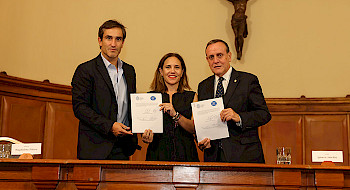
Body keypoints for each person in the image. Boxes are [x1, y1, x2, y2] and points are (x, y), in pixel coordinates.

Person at [71, 20, 139, 160]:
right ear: (100, 41)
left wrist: (142, 129)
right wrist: (110, 126)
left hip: (123, 148)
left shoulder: (129, 71)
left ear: (123, 43)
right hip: (95, 149)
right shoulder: (85, 70)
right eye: (109, 38)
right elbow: (80, 108)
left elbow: (131, 108)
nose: (113, 44)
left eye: (118, 39)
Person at [198, 39, 271, 163]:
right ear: (207, 60)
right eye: (211, 57)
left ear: (229, 56)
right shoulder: (203, 86)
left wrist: (239, 117)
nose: (215, 61)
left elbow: (264, 115)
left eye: (219, 55)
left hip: (244, 156)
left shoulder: (248, 81)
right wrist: (203, 141)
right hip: (214, 157)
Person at [141, 53, 199, 162]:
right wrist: (146, 137)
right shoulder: (150, 97)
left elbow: (194, 128)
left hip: (186, 154)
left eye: (177, 67)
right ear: (161, 72)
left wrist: (176, 115)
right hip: (157, 154)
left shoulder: (192, 96)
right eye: (168, 67)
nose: (172, 71)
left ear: (182, 72)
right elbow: (144, 129)